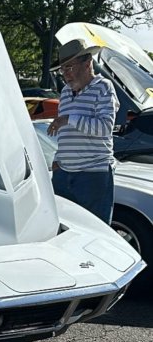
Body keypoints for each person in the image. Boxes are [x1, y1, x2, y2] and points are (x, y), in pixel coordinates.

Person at [47, 38, 120, 224]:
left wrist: (68, 119)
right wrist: (58, 159)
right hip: (63, 173)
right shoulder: (65, 92)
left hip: (92, 174)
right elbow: (66, 132)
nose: (65, 74)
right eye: (62, 69)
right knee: (64, 231)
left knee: (95, 232)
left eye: (69, 67)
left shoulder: (104, 87)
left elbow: (104, 127)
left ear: (87, 64)